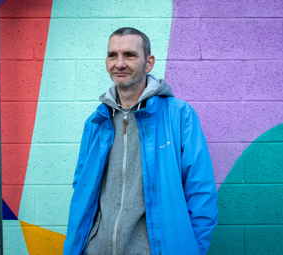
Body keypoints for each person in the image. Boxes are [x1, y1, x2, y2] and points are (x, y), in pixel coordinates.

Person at [63, 27, 218, 255]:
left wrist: (193, 248)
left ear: (149, 63)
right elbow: (82, 186)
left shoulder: (179, 116)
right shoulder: (96, 123)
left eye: (130, 55)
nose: (120, 63)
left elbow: (201, 191)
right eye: (112, 55)